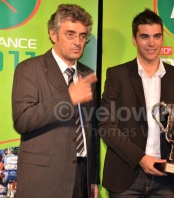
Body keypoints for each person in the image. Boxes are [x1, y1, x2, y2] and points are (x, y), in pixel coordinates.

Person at [12, 4, 99, 198]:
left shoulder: (87, 74)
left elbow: (90, 130)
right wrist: (68, 98)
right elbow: (23, 120)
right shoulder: (29, 69)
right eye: (70, 34)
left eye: (83, 36)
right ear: (53, 34)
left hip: (81, 176)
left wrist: (93, 179)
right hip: (45, 178)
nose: (78, 42)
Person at [99, 8, 174, 197]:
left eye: (156, 36)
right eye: (144, 37)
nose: (151, 43)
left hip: (165, 177)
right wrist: (140, 158)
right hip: (126, 175)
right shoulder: (117, 75)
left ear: (162, 39)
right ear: (134, 40)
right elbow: (106, 126)